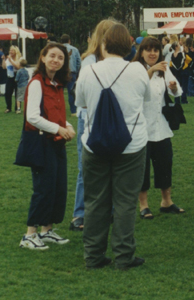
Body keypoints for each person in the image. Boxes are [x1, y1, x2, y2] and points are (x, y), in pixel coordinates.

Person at [75, 22, 151, 270]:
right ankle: (124, 256)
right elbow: (146, 98)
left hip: (94, 143)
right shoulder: (138, 70)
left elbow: (81, 104)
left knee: (95, 201)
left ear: (104, 44)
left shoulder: (88, 71)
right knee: (126, 201)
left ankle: (93, 255)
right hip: (132, 144)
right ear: (129, 45)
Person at [19, 42, 76, 250]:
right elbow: (33, 116)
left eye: (60, 58)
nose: (56, 60)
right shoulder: (36, 83)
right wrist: (58, 129)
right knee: (43, 189)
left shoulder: (57, 84)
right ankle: (29, 235)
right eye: (52, 56)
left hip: (56, 142)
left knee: (57, 187)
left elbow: (55, 114)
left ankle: (47, 230)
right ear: (42, 57)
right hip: (40, 143)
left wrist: (67, 126)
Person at [70, 18, 116, 233]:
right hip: (89, 118)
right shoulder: (90, 61)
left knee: (111, 165)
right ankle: (80, 213)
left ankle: (108, 210)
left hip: (109, 117)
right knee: (86, 167)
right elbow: (83, 97)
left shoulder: (116, 60)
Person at [134, 37, 185, 220]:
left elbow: (177, 91)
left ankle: (166, 201)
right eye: (148, 50)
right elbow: (135, 90)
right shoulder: (135, 69)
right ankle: (143, 205)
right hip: (141, 128)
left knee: (165, 164)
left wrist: (173, 87)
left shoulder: (164, 69)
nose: (152, 53)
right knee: (142, 168)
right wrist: (151, 70)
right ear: (141, 52)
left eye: (156, 50)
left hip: (161, 126)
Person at [61, 34, 81, 116]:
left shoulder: (59, 49)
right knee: (71, 92)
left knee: (59, 92)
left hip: (61, 72)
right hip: (72, 72)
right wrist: (77, 71)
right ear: (69, 41)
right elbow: (79, 62)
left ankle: (59, 110)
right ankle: (73, 111)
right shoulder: (74, 49)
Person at [4, 45, 22, 113]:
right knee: (8, 92)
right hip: (9, 76)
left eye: (12, 50)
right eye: (10, 50)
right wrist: (3, 60)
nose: (10, 51)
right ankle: (8, 107)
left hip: (17, 76)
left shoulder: (20, 58)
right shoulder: (8, 59)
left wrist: (11, 61)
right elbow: (4, 67)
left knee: (17, 93)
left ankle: (17, 108)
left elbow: (18, 67)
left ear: (16, 51)